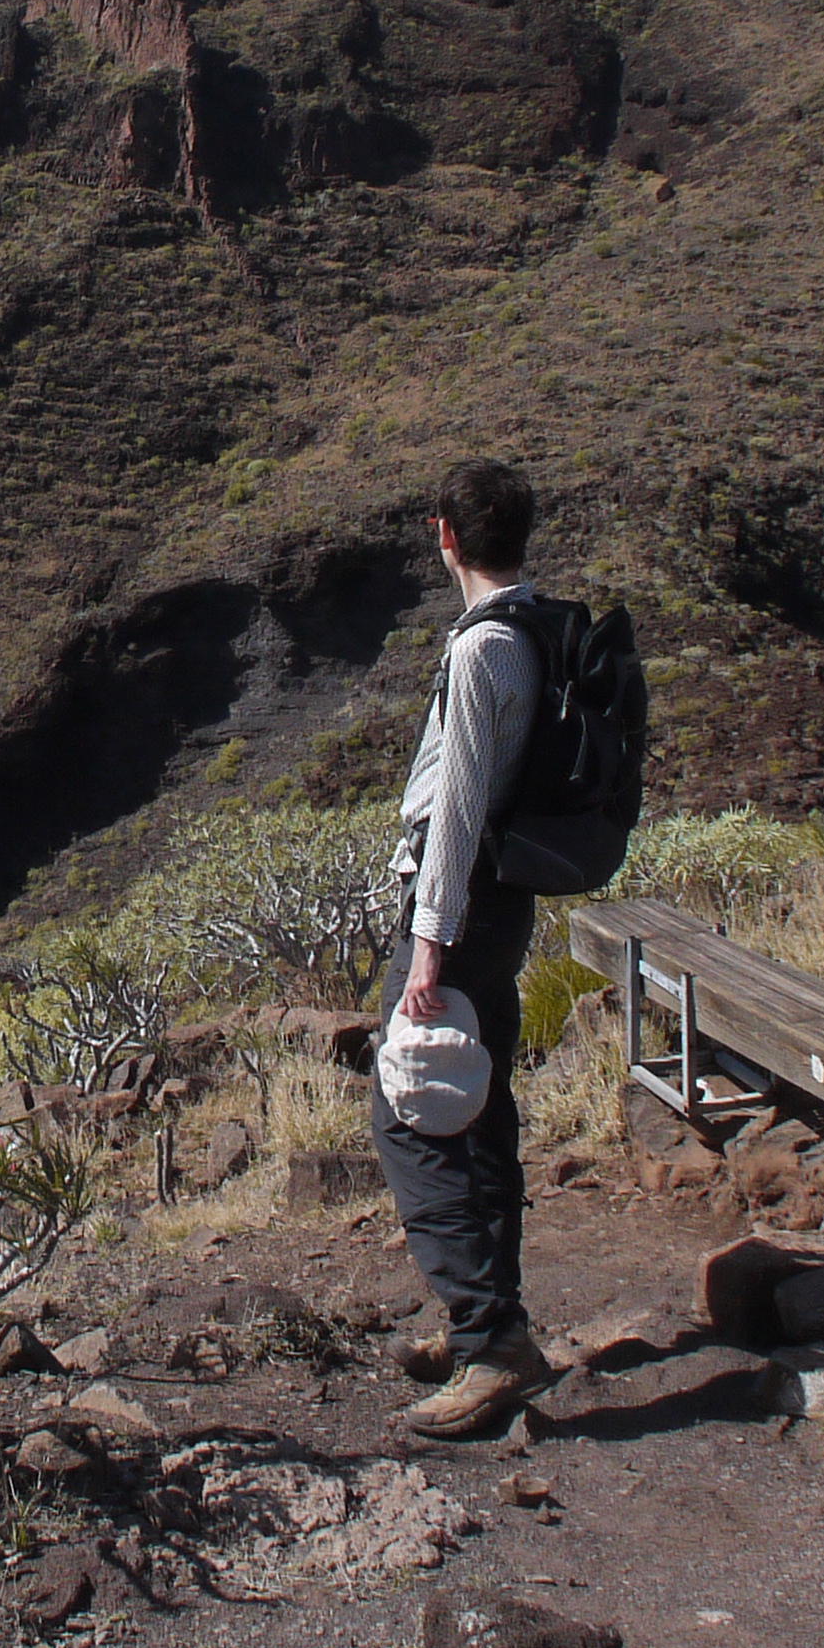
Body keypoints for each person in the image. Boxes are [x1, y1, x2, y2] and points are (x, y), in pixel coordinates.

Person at [371, 456, 557, 1439]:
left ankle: (489, 1339)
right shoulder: (534, 625)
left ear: (445, 534)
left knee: (406, 1112)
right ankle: (495, 1317)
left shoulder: (485, 649)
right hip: (500, 904)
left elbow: (455, 809)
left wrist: (428, 945)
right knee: (477, 1110)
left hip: (461, 907)